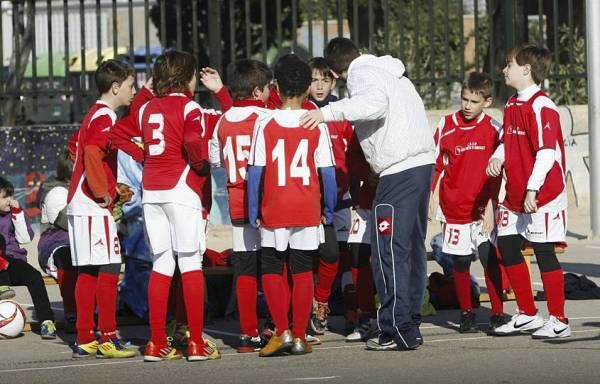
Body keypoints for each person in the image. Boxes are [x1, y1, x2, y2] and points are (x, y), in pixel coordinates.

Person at [301, 37, 435, 351]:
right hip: (420, 164)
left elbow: (374, 105)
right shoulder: (392, 72)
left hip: (399, 170)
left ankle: (394, 327)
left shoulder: (362, 75)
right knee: (412, 248)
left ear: (334, 73)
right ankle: (410, 319)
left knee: (388, 250)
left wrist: (327, 113)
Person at [247, 54, 337, 356]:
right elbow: (328, 173)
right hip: (307, 205)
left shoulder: (265, 122)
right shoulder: (316, 124)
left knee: (272, 264)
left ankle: (281, 331)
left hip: (275, 204)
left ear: (276, 87)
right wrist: (328, 208)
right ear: (306, 88)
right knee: (302, 268)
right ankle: (300, 335)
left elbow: (256, 171)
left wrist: (252, 209)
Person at [136, 50, 221, 362]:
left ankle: (156, 342)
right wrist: (202, 169)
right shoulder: (190, 106)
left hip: (152, 190)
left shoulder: (145, 109)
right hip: (181, 187)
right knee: (189, 263)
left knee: (161, 264)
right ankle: (196, 342)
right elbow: (195, 147)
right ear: (187, 77)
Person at [486, 44, 570, 339]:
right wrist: (498, 156)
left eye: (509, 64)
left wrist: (533, 190)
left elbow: (547, 153)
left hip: (543, 194)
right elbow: (507, 140)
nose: (504, 69)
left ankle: (559, 320)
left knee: (545, 252)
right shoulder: (511, 104)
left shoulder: (542, 106)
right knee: (507, 246)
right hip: (516, 194)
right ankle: (528, 313)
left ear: (526, 69)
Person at [67, 59, 137, 358]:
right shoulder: (105, 117)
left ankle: (85, 337)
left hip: (82, 203)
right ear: (116, 87)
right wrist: (104, 192)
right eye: (131, 86)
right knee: (108, 269)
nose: (133, 91)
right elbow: (93, 153)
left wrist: (102, 184)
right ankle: (107, 335)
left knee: (89, 271)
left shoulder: (93, 114)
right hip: (93, 205)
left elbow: (75, 147)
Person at [430, 72, 507, 334]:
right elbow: (435, 165)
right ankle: (466, 313)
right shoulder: (446, 125)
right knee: (460, 263)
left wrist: (491, 207)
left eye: (473, 101)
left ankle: (498, 312)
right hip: (453, 209)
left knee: (489, 260)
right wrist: (430, 196)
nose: (466, 105)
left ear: (486, 102)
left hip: (482, 210)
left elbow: (498, 173)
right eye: (464, 99)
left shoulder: (494, 129)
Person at [209, 58, 272, 353]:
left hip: (236, 200)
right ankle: (278, 325)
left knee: (245, 269)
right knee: (274, 266)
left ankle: (248, 334)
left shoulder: (224, 120)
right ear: (258, 91)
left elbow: (215, 159)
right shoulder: (267, 117)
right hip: (267, 201)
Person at [306, 57, 354, 336]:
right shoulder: (303, 111)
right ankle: (318, 305)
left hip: (342, 196)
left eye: (325, 80)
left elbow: (356, 152)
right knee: (320, 255)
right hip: (313, 200)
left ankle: (351, 310)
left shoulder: (343, 112)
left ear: (334, 81)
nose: (320, 85)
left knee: (346, 256)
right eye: (314, 80)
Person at [0, 177, 57, 339]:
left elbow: (25, 238)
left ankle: (47, 320)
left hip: (12, 261)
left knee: (34, 276)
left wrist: (17, 213)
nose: (9, 200)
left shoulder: (14, 212)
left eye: (11, 196)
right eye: (5, 197)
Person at [37, 150, 77, 333]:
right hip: (55, 242)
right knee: (67, 256)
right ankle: (72, 313)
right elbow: (65, 223)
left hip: (83, 240)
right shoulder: (56, 191)